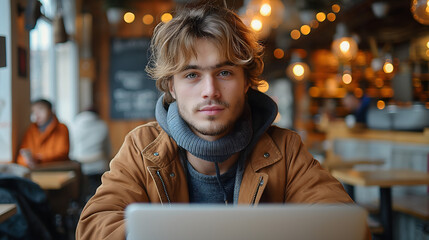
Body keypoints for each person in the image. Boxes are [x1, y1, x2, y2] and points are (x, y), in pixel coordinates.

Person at [76, 4, 356, 239]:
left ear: (246, 81)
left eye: (224, 72)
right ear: (171, 88)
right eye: (191, 74)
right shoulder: (142, 148)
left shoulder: (285, 150)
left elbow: (345, 226)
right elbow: (93, 228)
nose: (210, 90)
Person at [70, 108, 111, 199]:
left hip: (80, 164)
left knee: (81, 194)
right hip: (99, 164)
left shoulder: (74, 125)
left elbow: (71, 146)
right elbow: (107, 148)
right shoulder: (102, 125)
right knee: (99, 194)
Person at [17, 99, 69, 168]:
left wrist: (39, 159)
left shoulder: (61, 128)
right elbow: (21, 157)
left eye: (40, 110)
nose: (37, 114)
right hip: (35, 170)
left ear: (51, 110)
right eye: (34, 111)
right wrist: (27, 161)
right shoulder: (30, 130)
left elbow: (62, 153)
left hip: (56, 169)